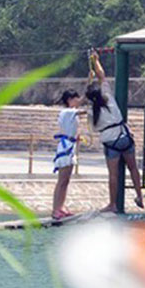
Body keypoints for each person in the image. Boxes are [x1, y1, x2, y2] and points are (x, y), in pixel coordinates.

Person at [85, 52, 144, 212]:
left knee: (113, 174)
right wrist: (96, 61)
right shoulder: (108, 98)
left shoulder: (92, 113)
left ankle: (113, 204)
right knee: (133, 168)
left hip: (111, 142)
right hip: (124, 136)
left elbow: (94, 128)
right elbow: (102, 76)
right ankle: (139, 195)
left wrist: (88, 82)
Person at [51, 89, 84, 220]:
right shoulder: (67, 112)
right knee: (62, 180)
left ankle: (61, 207)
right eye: (76, 98)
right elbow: (83, 109)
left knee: (66, 180)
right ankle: (55, 209)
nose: (78, 101)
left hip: (70, 145)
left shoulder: (71, 113)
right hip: (65, 147)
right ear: (70, 100)